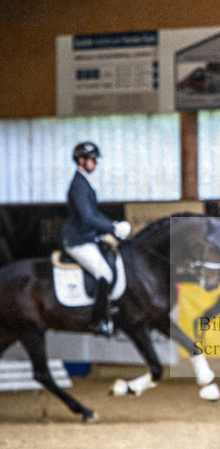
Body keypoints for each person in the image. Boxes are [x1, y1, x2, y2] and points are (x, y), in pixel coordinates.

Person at [61, 141, 131, 335]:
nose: (95, 163)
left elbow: (95, 214)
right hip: (78, 241)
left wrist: (113, 226)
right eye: (92, 160)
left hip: (88, 238)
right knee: (105, 274)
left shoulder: (84, 183)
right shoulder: (78, 185)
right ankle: (98, 320)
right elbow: (87, 217)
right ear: (81, 160)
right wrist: (113, 228)